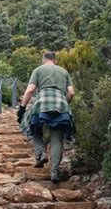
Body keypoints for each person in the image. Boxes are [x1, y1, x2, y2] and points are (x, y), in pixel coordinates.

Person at [17, 51, 75, 182]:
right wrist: (64, 103)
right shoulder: (63, 71)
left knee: (33, 128)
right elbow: (71, 92)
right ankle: (54, 171)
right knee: (57, 137)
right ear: (55, 61)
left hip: (41, 103)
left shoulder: (38, 70)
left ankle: (41, 153)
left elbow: (31, 90)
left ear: (43, 60)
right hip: (61, 104)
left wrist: (22, 108)